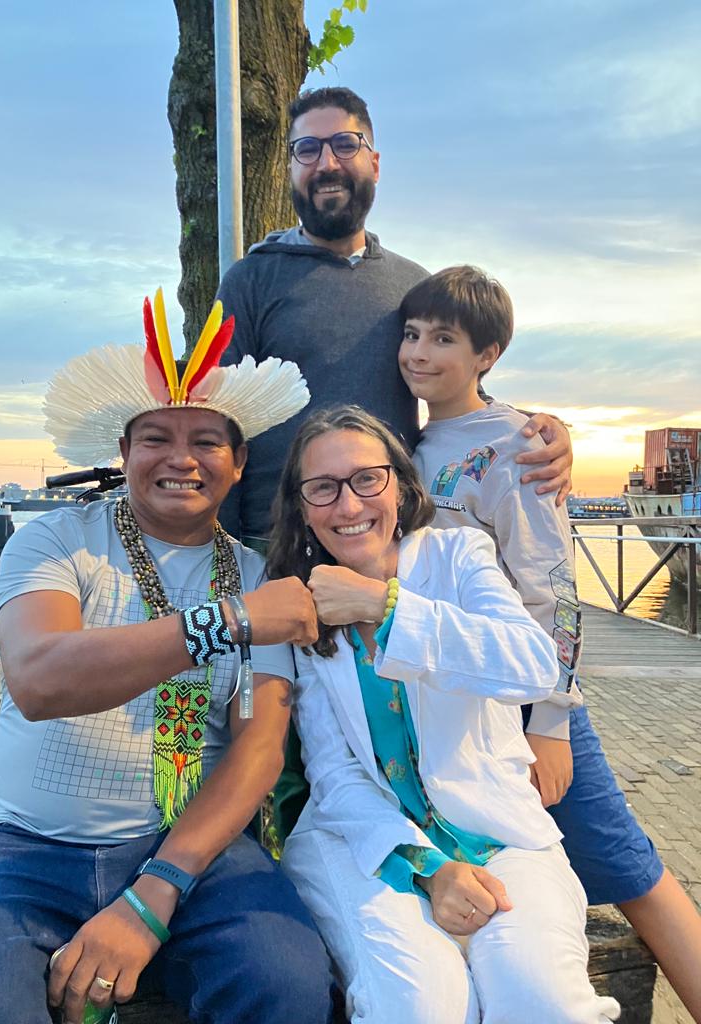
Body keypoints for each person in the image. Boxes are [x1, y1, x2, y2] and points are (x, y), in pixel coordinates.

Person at [0, 290, 334, 1024]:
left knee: (287, 982)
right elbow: (39, 679)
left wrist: (156, 892)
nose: (181, 459)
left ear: (239, 462)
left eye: (207, 441)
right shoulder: (56, 540)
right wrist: (228, 622)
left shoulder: (256, 578)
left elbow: (258, 750)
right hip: (26, 842)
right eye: (155, 438)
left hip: (190, 847)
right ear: (123, 454)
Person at [216, 84, 574, 839]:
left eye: (343, 144)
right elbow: (221, 416)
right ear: (290, 167)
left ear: (373, 160)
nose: (326, 162)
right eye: (307, 149)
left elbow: (452, 382)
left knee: (392, 739)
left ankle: (420, 862)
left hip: (388, 548)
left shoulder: (409, 283)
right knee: (282, 753)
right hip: (275, 546)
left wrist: (536, 430)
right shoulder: (253, 278)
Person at [399, 264, 701, 1022]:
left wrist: (553, 724)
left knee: (630, 870)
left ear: (487, 355)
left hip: (527, 698)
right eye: (412, 334)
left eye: (443, 339)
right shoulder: (411, 440)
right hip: (451, 699)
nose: (419, 352)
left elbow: (555, 595)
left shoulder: (515, 445)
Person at [266, 405, 620, 1024]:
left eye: (367, 479)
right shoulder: (302, 605)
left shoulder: (459, 555)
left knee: (543, 1002)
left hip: (498, 834)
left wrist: (384, 605)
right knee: (418, 1006)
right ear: (302, 508)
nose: (348, 505)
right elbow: (335, 773)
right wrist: (429, 869)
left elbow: (532, 664)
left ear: (401, 488)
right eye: (322, 488)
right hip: (368, 844)